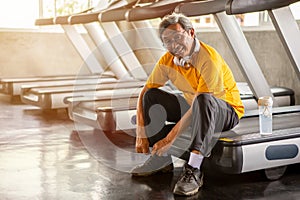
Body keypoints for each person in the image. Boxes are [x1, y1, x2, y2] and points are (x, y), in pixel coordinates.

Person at [131, 13, 244, 196]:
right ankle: (161, 160)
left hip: (226, 110)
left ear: (191, 32)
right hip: (195, 105)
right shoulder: (168, 60)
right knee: (152, 96)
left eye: (178, 37)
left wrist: (169, 139)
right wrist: (141, 133)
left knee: (202, 100)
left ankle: (194, 169)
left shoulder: (209, 59)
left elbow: (202, 101)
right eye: (167, 41)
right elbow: (144, 92)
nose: (173, 44)